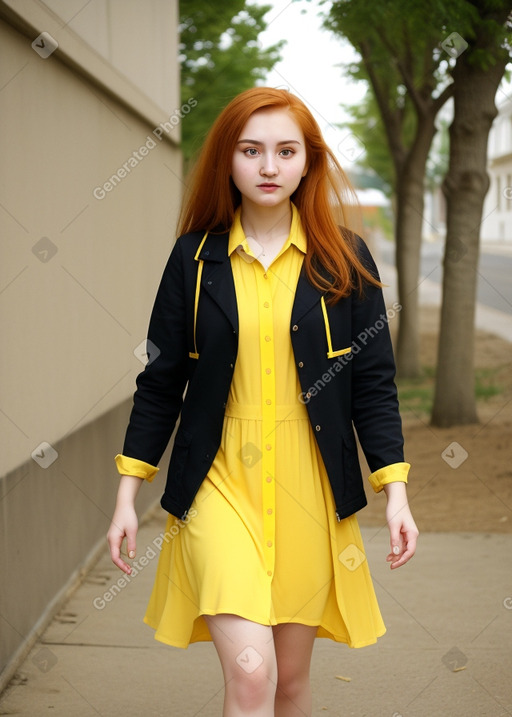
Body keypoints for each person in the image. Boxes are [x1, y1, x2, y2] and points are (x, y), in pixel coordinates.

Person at [107, 87, 418, 717]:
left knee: (291, 687)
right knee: (252, 677)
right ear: (229, 159)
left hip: (310, 491)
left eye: (285, 151)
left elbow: (374, 385)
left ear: (309, 162)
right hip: (219, 483)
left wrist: (397, 493)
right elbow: (161, 381)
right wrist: (127, 496)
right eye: (251, 150)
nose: (268, 166)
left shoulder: (345, 260)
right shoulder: (193, 260)